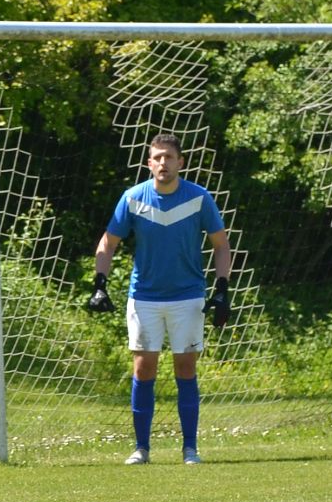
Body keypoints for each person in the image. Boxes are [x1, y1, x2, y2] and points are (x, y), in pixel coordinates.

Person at [88, 132, 233, 465]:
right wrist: (99, 285)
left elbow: (221, 244)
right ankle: (141, 449)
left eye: (169, 157)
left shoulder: (199, 198)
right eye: (157, 157)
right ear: (149, 163)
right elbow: (108, 242)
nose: (163, 163)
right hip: (144, 297)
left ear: (180, 162)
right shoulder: (132, 198)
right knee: (143, 368)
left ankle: (190, 449)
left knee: (186, 367)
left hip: (188, 296)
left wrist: (222, 289)